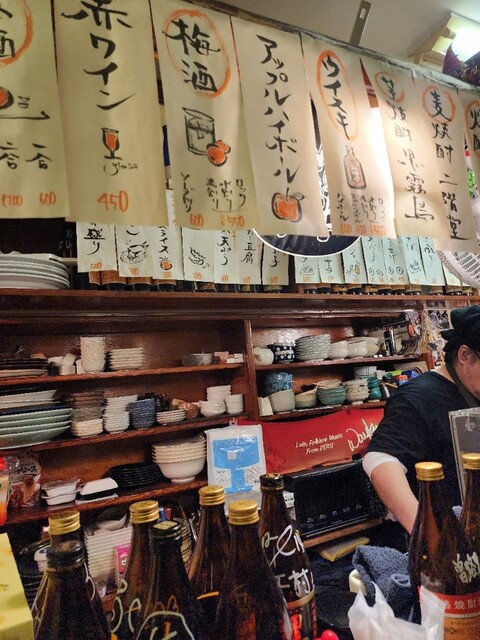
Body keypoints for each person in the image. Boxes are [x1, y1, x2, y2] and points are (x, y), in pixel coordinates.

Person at [363, 305, 480, 535]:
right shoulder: (418, 398)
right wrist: (430, 537)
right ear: (465, 356)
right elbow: (380, 462)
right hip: (450, 533)